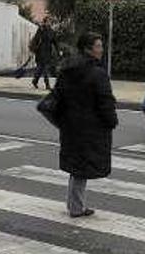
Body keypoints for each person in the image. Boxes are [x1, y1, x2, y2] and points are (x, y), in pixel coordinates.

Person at [56, 31, 118, 218]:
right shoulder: (97, 74)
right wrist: (112, 121)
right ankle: (76, 208)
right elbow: (105, 101)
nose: (101, 50)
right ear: (88, 49)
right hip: (89, 127)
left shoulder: (68, 69)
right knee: (81, 167)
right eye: (98, 46)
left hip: (70, 125)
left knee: (77, 166)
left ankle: (75, 204)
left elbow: (59, 96)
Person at [29, 17, 59, 90]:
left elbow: (55, 42)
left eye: (49, 22)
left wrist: (58, 51)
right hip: (40, 52)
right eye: (47, 22)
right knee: (44, 69)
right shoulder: (41, 30)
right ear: (44, 22)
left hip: (47, 53)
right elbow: (36, 40)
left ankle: (35, 81)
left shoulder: (52, 31)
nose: (48, 23)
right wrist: (33, 50)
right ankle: (47, 85)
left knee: (41, 69)